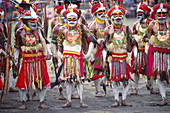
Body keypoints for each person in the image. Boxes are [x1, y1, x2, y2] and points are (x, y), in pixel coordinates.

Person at [53, 6, 99, 108]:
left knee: (79, 81)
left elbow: (92, 39)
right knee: (68, 81)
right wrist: (59, 55)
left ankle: (81, 100)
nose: (72, 21)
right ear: (66, 19)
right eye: (70, 19)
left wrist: (88, 54)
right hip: (67, 59)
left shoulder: (82, 28)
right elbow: (59, 45)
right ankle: (68, 100)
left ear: (77, 19)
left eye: (74, 19)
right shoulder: (62, 29)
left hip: (78, 58)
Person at [14, 3, 51, 109]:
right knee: (23, 83)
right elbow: (17, 47)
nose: (34, 23)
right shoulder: (19, 32)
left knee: (42, 82)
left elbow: (44, 42)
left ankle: (41, 101)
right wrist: (16, 60)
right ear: (25, 21)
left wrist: (47, 53)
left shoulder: (39, 31)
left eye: (35, 21)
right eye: (32, 21)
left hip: (39, 60)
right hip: (26, 61)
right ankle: (23, 102)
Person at [104, 4, 137, 107]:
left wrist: (135, 58)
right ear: (112, 17)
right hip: (113, 59)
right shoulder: (108, 30)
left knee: (126, 80)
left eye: (120, 15)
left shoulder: (127, 29)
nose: (118, 17)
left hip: (124, 58)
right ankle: (116, 100)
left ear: (123, 16)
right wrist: (105, 61)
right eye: (115, 15)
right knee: (114, 80)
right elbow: (104, 47)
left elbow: (134, 44)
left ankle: (124, 99)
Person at [131, 3, 158, 95]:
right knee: (136, 69)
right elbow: (132, 37)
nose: (138, 15)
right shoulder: (135, 24)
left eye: (140, 13)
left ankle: (151, 87)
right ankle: (135, 88)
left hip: (149, 50)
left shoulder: (152, 23)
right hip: (138, 51)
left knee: (149, 68)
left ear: (146, 13)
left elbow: (155, 35)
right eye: (137, 13)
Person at [147, 2, 170, 106]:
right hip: (157, 54)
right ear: (155, 14)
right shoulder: (152, 26)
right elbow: (149, 40)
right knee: (161, 76)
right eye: (159, 14)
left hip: (168, 54)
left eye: (163, 14)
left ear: (167, 14)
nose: (161, 16)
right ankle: (163, 97)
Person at [87, 2, 110, 97]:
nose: (102, 14)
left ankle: (105, 82)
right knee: (96, 70)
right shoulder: (93, 25)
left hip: (107, 49)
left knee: (107, 68)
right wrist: (91, 54)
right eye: (100, 12)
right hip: (97, 51)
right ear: (96, 14)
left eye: (104, 12)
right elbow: (90, 41)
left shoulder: (107, 23)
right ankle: (97, 91)